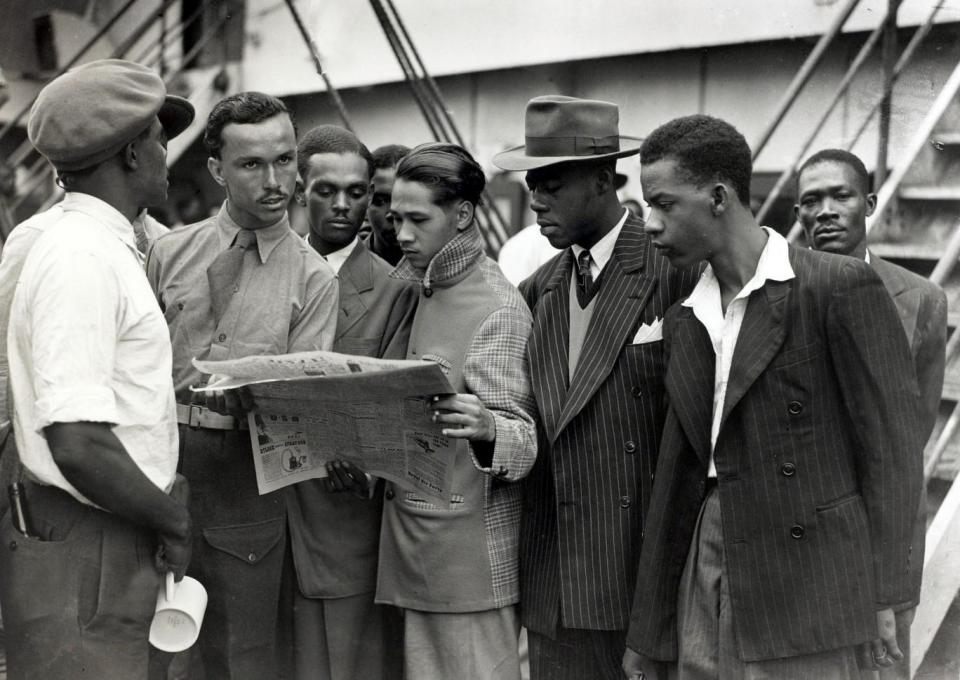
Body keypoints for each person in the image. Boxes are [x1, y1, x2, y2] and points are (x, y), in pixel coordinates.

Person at [623, 115, 923, 680]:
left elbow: (893, 454)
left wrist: (888, 594)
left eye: (662, 205)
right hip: (708, 550)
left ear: (718, 197)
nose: (652, 225)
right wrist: (649, 627)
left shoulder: (834, 286)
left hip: (810, 572)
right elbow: (675, 476)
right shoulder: (686, 316)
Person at [490, 95, 697, 680]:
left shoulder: (676, 273)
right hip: (555, 587)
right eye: (533, 181)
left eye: (552, 182)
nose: (535, 198)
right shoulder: (537, 290)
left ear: (604, 180)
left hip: (639, 584)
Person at [0, 58, 194, 679]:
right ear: (133, 153)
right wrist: (172, 518)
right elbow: (76, 439)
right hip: (95, 532)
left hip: (113, 522)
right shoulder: (81, 256)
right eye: (160, 140)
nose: (167, 153)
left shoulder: (103, 245)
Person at [146, 91, 338, 679]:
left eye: (285, 160)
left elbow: (301, 410)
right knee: (153, 646)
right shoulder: (166, 253)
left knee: (242, 655)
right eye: (253, 165)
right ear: (216, 170)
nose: (276, 179)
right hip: (160, 463)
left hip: (244, 477)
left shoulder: (314, 278)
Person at [375, 142, 537, 680]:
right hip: (414, 543)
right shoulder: (418, 287)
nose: (401, 234)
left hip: (468, 559)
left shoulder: (495, 307)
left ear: (462, 215)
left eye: (418, 219)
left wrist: (491, 426)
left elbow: (524, 439)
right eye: (396, 218)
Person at [795, 147, 947, 680]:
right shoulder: (779, 293)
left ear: (870, 203)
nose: (826, 210)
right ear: (798, 215)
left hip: (881, 531)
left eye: (841, 195)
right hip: (801, 533)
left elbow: (913, 429)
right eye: (811, 200)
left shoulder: (921, 298)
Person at [286, 124, 416, 680]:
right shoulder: (267, 269)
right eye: (325, 191)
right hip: (258, 520)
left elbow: (397, 406)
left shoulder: (394, 290)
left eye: (357, 192)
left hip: (338, 521)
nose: (343, 205)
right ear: (299, 190)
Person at [365, 143, 410, 265]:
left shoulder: (451, 267)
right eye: (379, 201)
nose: (392, 213)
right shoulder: (341, 271)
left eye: (405, 198)